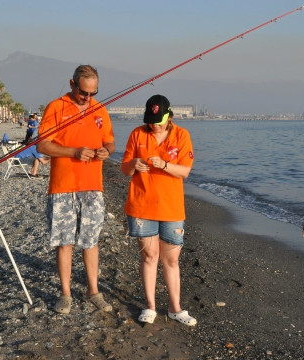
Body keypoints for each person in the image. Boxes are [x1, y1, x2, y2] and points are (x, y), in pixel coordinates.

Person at [37, 64, 115, 314]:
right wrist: (73, 152)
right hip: (62, 187)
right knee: (64, 242)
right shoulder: (56, 107)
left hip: (93, 187)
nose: (88, 98)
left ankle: (94, 292)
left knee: (90, 242)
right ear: (72, 84)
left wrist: (106, 152)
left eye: (93, 93)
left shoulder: (100, 110)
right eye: (83, 92)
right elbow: (42, 145)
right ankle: (66, 294)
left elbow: (110, 142)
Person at [120, 94, 197, 326]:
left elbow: (184, 171)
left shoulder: (181, 135)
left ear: (169, 115)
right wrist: (134, 164)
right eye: (151, 119)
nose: (154, 124)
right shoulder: (137, 133)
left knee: (171, 260)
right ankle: (151, 306)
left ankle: (176, 308)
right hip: (142, 206)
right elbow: (125, 168)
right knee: (149, 256)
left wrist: (163, 164)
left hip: (172, 208)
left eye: (159, 119)